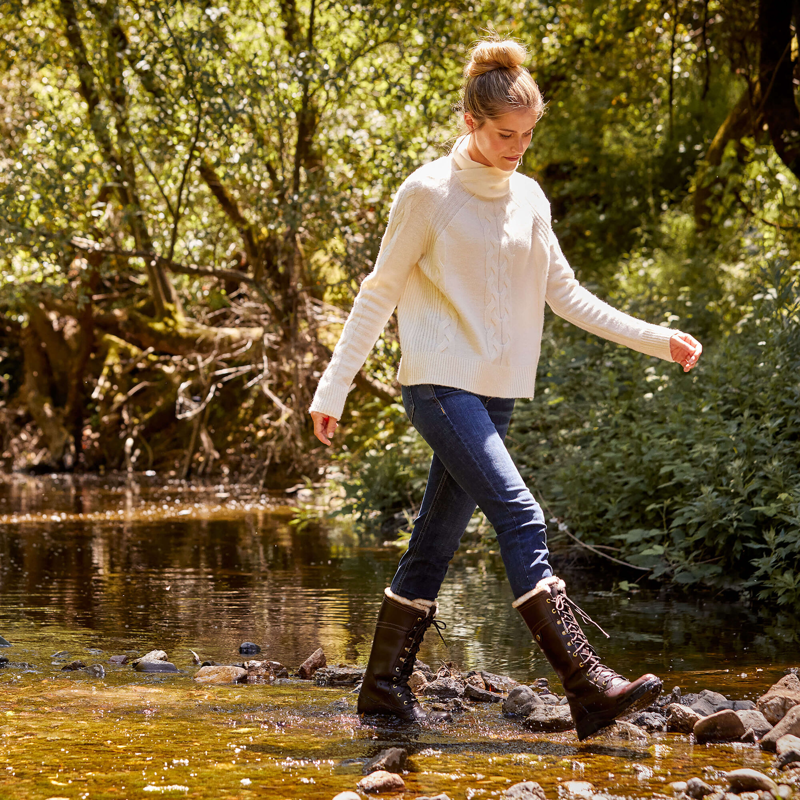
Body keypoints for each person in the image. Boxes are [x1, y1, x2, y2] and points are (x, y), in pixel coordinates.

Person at [308, 36, 702, 739]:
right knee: (521, 515)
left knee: (434, 542)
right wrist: (332, 388)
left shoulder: (529, 198)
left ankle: (381, 689)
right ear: (470, 121)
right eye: (504, 134)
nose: (517, 146)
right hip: (438, 385)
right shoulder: (428, 193)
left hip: (495, 394)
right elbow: (378, 294)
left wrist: (657, 337)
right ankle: (587, 684)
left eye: (526, 135)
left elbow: (568, 296)